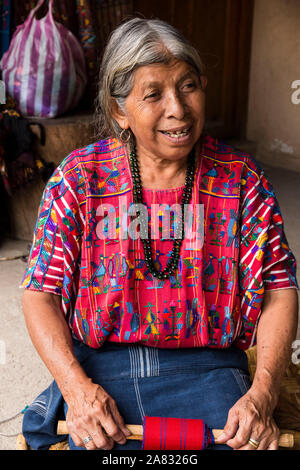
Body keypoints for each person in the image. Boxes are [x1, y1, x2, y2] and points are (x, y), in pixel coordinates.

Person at [20, 17, 299, 451]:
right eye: (153, 94)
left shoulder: (241, 180)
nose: (178, 109)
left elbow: (279, 289)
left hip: (210, 372)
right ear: (119, 110)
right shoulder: (79, 180)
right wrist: (76, 389)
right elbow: (40, 292)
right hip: (102, 371)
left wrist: (263, 392)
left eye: (188, 86)